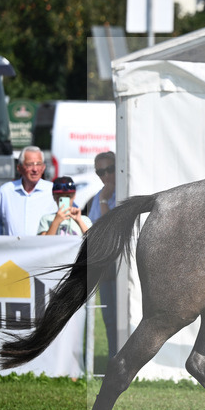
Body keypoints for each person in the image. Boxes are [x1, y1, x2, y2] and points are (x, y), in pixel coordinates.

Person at [86, 151, 118, 359]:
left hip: (124, 264)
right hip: (106, 265)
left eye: (110, 169)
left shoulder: (121, 193)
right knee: (108, 316)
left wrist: (105, 201)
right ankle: (113, 359)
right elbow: (92, 231)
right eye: (100, 172)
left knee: (123, 316)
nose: (105, 176)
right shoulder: (99, 197)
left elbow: (111, 229)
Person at [0, 146, 56, 236]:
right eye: (30, 164)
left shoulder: (53, 191)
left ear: (43, 167)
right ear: (19, 168)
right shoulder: (6, 192)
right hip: (13, 249)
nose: (35, 169)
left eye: (38, 164)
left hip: (45, 249)